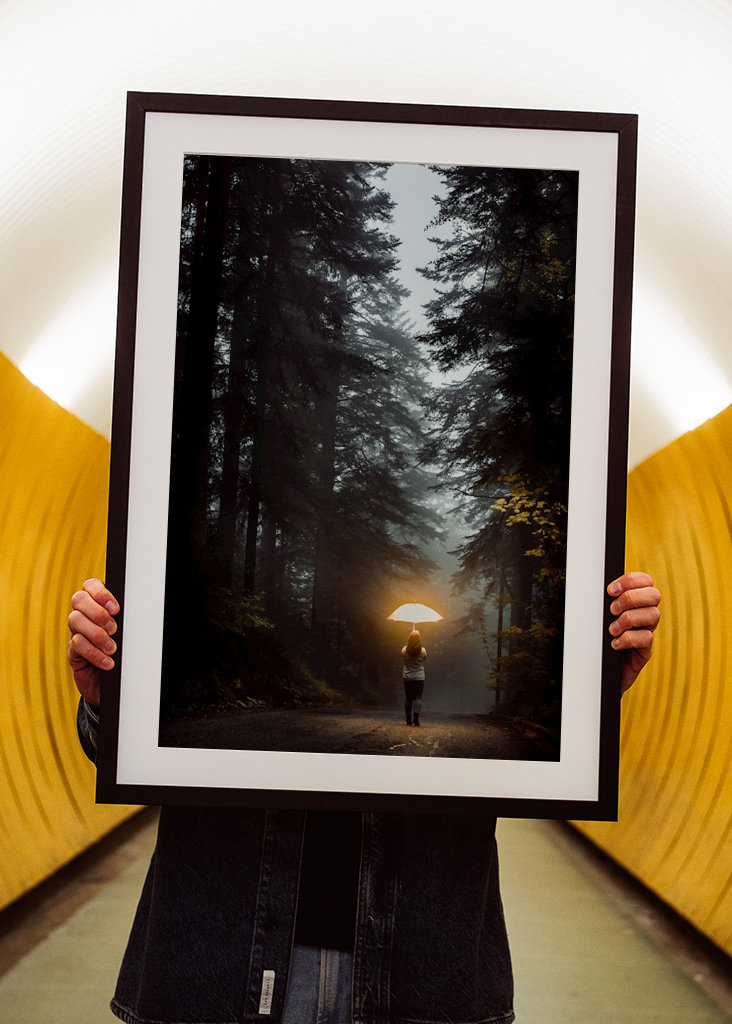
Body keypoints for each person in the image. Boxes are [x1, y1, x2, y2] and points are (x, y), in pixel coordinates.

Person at [68, 571, 661, 1024]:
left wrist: (584, 696)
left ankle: (411, 717)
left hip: (424, 968)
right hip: (217, 961)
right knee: (408, 705)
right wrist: (111, 703)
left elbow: (553, 760)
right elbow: (121, 754)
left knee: (413, 708)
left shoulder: (421, 649)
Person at [402, 629, 427, 725]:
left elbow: (402, 657)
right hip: (419, 678)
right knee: (418, 698)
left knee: (408, 698)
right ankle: (416, 718)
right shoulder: (423, 650)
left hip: (407, 677)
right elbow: (424, 659)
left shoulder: (404, 649)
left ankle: (408, 719)